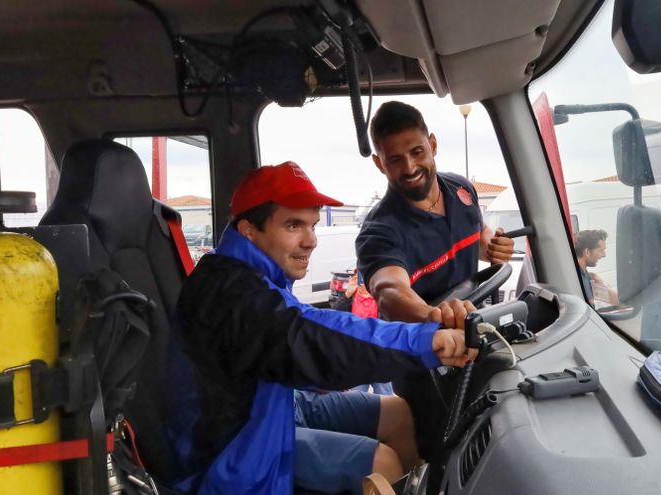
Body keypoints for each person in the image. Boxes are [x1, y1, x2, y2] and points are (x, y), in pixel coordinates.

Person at [175, 162, 475, 495]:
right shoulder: (232, 294)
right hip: (240, 445)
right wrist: (425, 342)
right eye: (294, 225)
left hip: (278, 399)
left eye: (313, 225)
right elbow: (309, 336)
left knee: (399, 412)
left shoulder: (254, 273)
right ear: (249, 230)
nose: (311, 241)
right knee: (384, 464)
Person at [355, 100, 514, 325]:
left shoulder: (462, 189)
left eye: (417, 152)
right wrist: (436, 316)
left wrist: (493, 249)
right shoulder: (379, 231)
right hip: (420, 349)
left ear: (433, 145)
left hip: (472, 329)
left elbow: (479, 236)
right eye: (395, 159)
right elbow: (389, 291)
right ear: (379, 163)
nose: (410, 168)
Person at [333, 271, 394, 395]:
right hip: (357, 358)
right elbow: (336, 315)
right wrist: (348, 293)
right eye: (361, 280)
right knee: (356, 398)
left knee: (385, 398)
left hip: (380, 357)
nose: (363, 285)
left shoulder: (381, 297)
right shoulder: (351, 298)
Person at [574, 229, 620, 307]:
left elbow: (617, 301)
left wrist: (601, 285)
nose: (604, 255)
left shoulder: (585, 273)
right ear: (587, 252)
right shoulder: (579, 279)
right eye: (601, 250)